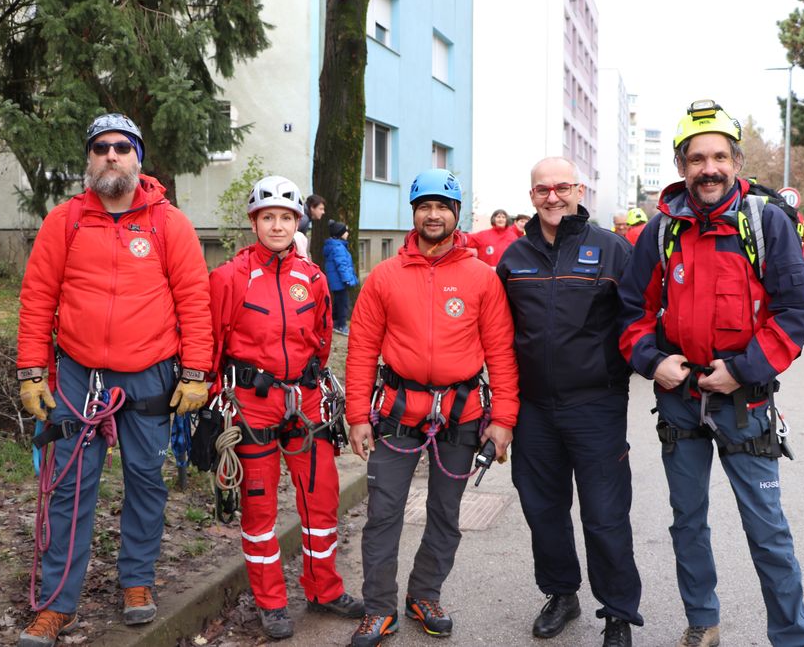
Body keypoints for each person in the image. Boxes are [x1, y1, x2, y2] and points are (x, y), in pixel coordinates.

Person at [618, 99, 804, 647]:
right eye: (697, 158)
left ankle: (794, 637)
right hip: (681, 399)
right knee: (687, 522)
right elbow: (631, 312)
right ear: (682, 165)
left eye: (719, 157)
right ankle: (702, 623)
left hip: (744, 401)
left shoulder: (765, 222)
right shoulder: (661, 231)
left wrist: (744, 369)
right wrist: (653, 361)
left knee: (768, 531)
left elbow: (795, 311)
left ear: (735, 161)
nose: (709, 168)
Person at [16, 113, 213, 647]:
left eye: (122, 147)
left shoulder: (168, 223)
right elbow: (38, 298)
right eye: (100, 147)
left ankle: (137, 581)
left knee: (146, 481)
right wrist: (33, 371)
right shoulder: (65, 221)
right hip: (80, 374)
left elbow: (195, 299)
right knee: (69, 487)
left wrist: (196, 373)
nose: (110, 155)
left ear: (138, 157)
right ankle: (58, 603)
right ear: (89, 158)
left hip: (150, 374)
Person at [345, 168, 520, 647]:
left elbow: (502, 351)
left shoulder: (482, 278)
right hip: (398, 411)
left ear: (456, 214)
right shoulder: (384, 276)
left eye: (443, 207)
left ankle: (425, 594)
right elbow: (361, 348)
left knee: (446, 513)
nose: (434, 214)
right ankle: (379, 608)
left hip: (461, 413)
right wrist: (357, 414)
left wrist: (502, 419)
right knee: (384, 513)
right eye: (425, 206)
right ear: (414, 214)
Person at [208, 175, 363, 640]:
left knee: (322, 500)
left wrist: (309, 383)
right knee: (259, 513)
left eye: (286, 218)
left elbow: (320, 338)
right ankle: (271, 602)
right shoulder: (228, 278)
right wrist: (213, 402)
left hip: (306, 403)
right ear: (254, 222)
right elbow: (212, 343)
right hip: (251, 408)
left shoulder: (312, 278)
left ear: (298, 223)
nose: (277, 226)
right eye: (268, 217)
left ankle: (324, 588)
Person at [497, 157, 641, 647]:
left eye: (561, 187)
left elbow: (637, 321)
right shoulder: (513, 258)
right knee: (543, 508)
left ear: (579, 189)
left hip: (595, 406)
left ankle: (618, 612)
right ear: (531, 194)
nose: (552, 196)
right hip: (534, 408)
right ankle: (561, 592)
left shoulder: (612, 249)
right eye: (542, 189)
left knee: (604, 513)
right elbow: (499, 335)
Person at [323, 219, 359, 335]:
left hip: (336, 281)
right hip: (340, 281)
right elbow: (342, 265)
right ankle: (342, 325)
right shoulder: (338, 248)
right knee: (343, 303)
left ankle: (335, 323)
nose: (348, 233)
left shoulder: (335, 246)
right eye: (346, 231)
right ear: (340, 233)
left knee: (338, 302)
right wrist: (347, 279)